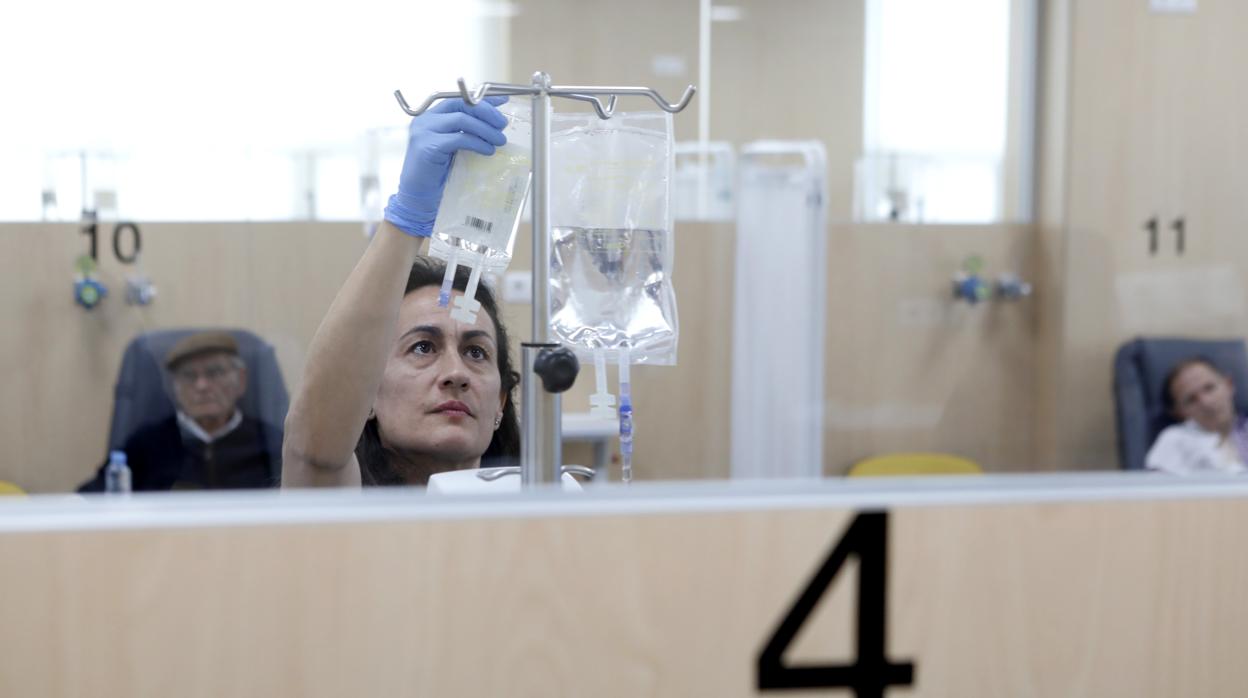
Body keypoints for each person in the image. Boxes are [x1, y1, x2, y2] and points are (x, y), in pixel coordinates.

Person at [282, 96, 521, 487]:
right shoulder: (343, 512)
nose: (456, 374)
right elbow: (312, 449)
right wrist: (407, 217)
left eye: (476, 352)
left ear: (500, 404)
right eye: (423, 347)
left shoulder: (540, 520)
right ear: (368, 396)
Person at [80, 331, 283, 491]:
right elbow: (93, 498)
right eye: (189, 376)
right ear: (174, 388)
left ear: (241, 380)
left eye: (215, 372)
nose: (202, 385)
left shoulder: (270, 443)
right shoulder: (146, 444)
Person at [1145, 357, 1248, 474]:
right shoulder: (1174, 439)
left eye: (1209, 388)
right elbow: (1157, 488)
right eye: (1191, 399)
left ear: (1229, 385)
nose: (1206, 402)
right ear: (1179, 412)